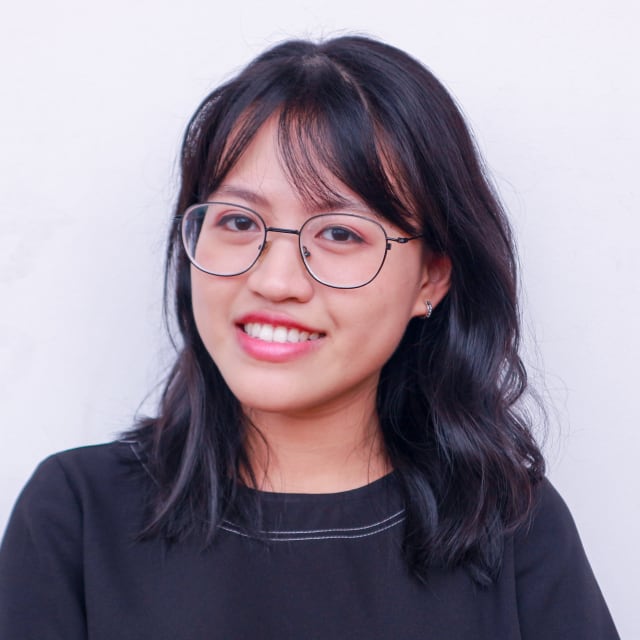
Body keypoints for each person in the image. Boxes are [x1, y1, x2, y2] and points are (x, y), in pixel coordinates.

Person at [0, 35, 618, 639]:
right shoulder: (77, 515)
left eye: (340, 233)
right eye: (238, 221)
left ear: (431, 278)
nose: (274, 281)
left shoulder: (514, 529)